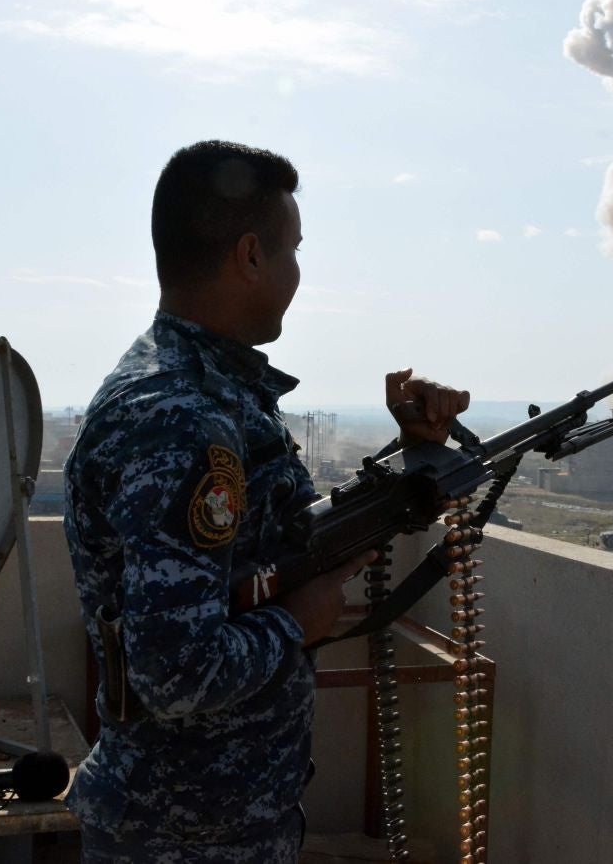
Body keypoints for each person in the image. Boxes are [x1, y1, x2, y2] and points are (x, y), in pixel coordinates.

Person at [63, 141, 469, 863]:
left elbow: (280, 545)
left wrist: (414, 459)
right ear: (251, 256)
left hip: (225, 820)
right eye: (293, 251)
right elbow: (174, 671)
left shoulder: (208, 388)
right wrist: (298, 622)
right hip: (183, 837)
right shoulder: (183, 416)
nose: (298, 275)